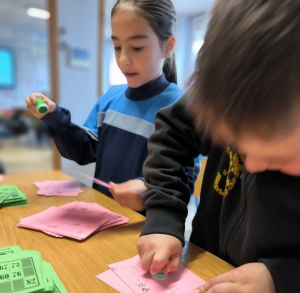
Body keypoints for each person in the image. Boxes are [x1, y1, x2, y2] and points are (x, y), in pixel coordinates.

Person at [137, 0, 300, 292]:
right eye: (235, 144)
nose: (251, 165)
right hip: (207, 262)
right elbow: (174, 131)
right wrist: (163, 217)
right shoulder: (224, 89)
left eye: (278, 158)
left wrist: (282, 277)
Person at [25, 0, 198, 211]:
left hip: (147, 231)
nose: (124, 59)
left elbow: (184, 182)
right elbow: (84, 150)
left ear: (168, 46)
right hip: (102, 218)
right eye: (117, 47)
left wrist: (148, 191)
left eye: (137, 47)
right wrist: (55, 116)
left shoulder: (182, 108)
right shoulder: (110, 98)